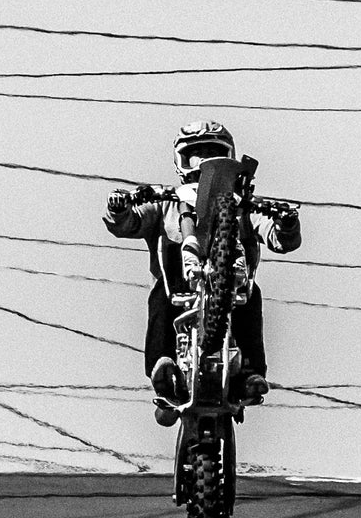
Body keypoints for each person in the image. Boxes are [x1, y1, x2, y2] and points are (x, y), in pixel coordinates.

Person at [103, 121, 301, 425]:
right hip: (179, 288)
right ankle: (162, 365)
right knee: (159, 292)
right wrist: (119, 208)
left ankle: (251, 373)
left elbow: (276, 236)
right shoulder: (165, 204)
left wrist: (286, 224)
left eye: (211, 153)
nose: (203, 161)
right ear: (182, 160)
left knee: (254, 293)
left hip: (232, 288)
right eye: (196, 154)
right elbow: (129, 223)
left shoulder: (242, 207)